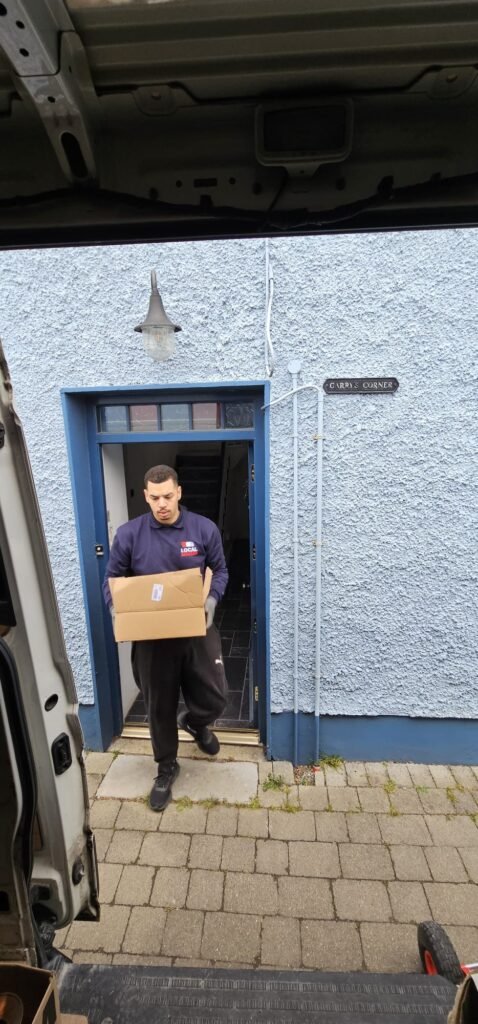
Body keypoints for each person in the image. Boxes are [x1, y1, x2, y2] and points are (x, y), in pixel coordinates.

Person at [103, 464, 228, 810]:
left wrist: (213, 600)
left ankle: (196, 722)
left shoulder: (203, 529)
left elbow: (219, 570)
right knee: (159, 706)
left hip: (196, 629)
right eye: (155, 497)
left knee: (216, 695)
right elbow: (112, 579)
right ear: (146, 496)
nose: (162, 504)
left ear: (179, 493)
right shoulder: (129, 535)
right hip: (153, 639)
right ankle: (166, 766)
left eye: (168, 496)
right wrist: (119, 609)